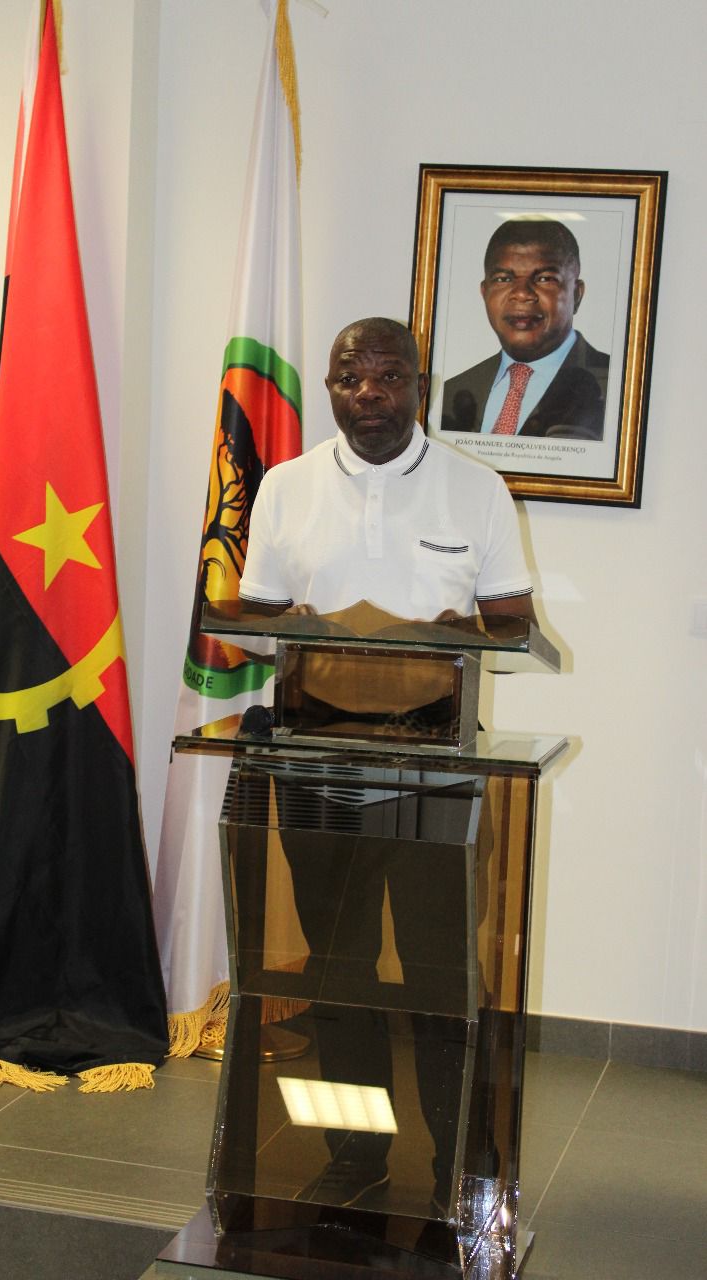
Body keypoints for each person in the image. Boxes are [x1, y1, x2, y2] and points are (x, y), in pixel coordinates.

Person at [236, 317, 535, 1214]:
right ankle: (355, 1153)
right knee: (338, 977)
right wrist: (273, 627)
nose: (368, 394)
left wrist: (463, 632)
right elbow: (254, 617)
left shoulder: (475, 489)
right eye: (349, 378)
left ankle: (453, 1164)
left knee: (442, 980)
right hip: (316, 772)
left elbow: (514, 622)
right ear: (331, 388)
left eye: (387, 377)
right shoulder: (285, 487)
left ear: (418, 386)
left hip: (434, 776)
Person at [440, 219, 609, 440]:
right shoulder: (449, 394)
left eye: (544, 279)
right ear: (484, 292)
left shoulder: (616, 389)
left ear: (576, 294)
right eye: (503, 279)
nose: (521, 293)